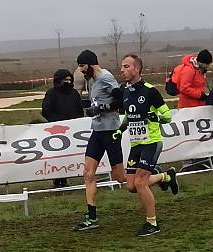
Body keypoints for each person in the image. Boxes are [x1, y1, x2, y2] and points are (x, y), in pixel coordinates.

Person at [114, 54, 178, 236]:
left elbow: (167, 116)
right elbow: (129, 115)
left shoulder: (150, 91)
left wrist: (155, 117)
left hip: (151, 142)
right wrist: (121, 129)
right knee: (131, 186)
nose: (122, 70)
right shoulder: (125, 91)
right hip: (136, 144)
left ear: (137, 69)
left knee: (141, 183)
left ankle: (152, 223)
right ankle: (165, 177)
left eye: (126, 66)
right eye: (122, 67)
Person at [72, 50, 125, 231]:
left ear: (90, 64)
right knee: (88, 173)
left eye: (82, 66)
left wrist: (102, 107)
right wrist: (89, 106)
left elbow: (121, 101)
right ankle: (92, 216)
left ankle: (159, 175)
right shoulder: (92, 81)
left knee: (121, 178)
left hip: (110, 131)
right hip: (97, 131)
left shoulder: (105, 77)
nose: (80, 70)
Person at [42, 69, 84, 188]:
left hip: (73, 130)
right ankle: (58, 178)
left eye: (69, 79)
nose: (68, 82)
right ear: (58, 81)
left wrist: (76, 122)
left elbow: (79, 110)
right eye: (65, 80)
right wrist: (56, 122)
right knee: (58, 155)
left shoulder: (74, 94)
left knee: (70, 154)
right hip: (56, 130)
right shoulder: (51, 93)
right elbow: (46, 110)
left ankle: (67, 175)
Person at [175, 49, 213, 170]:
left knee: (197, 133)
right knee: (188, 134)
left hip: (197, 106)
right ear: (202, 62)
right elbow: (184, 88)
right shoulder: (189, 70)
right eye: (208, 64)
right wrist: (199, 95)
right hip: (187, 107)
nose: (209, 66)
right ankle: (188, 161)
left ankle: (199, 157)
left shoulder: (200, 71)